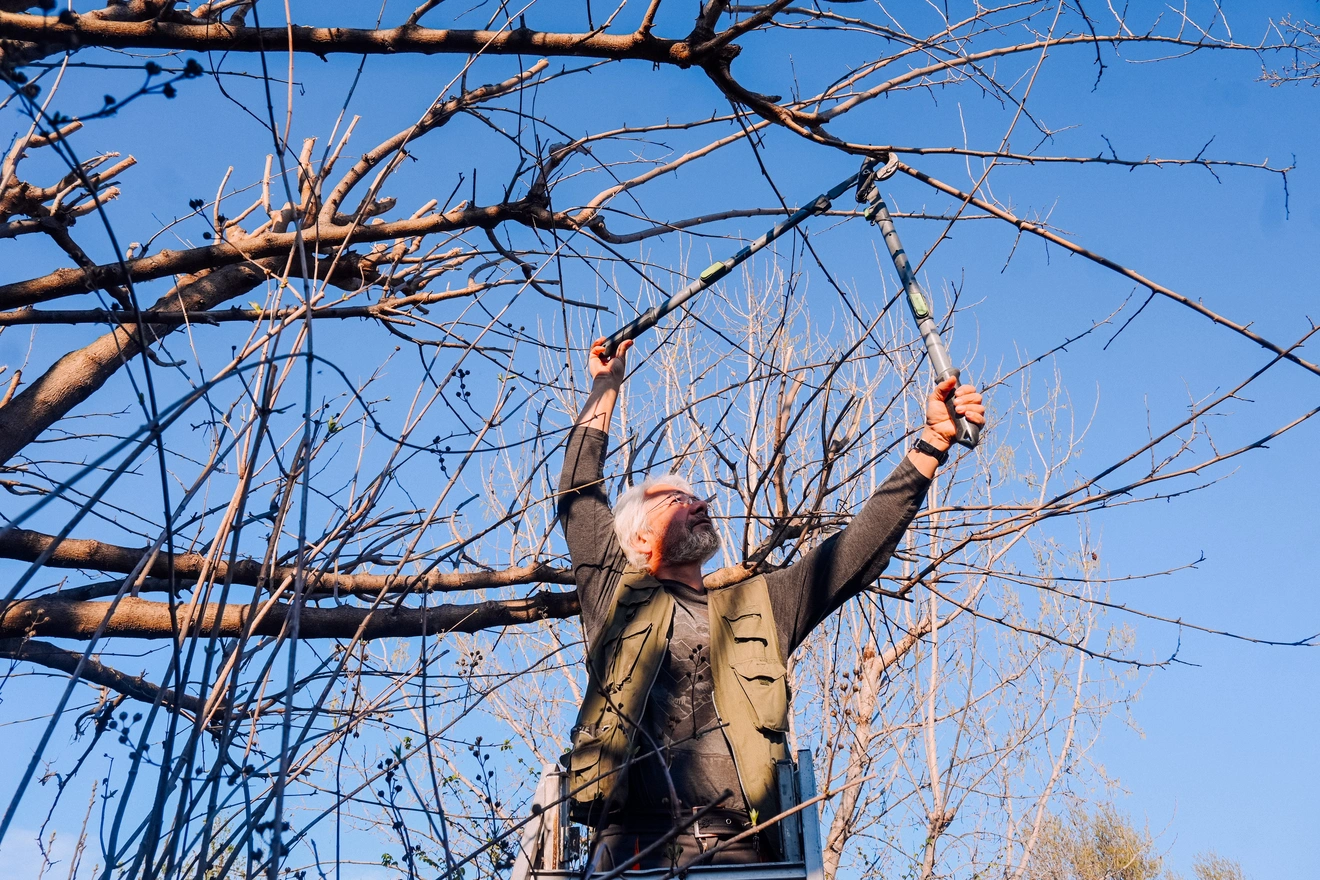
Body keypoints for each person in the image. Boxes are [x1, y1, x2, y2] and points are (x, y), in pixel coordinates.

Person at [557, 338, 985, 871]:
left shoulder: (760, 604)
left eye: (696, 496)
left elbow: (854, 552)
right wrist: (606, 385)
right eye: (677, 499)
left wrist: (932, 441)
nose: (701, 502)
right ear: (639, 539)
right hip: (631, 849)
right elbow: (579, 488)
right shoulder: (613, 593)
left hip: (743, 851)